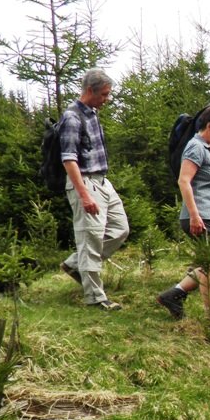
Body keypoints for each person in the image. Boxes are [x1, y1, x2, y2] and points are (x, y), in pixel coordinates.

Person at [58, 68, 131, 310]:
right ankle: (96, 299)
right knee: (90, 240)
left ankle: (74, 264)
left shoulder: (92, 113)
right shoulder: (72, 117)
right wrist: (84, 193)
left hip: (102, 180)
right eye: (104, 94)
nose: (107, 99)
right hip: (85, 182)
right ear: (90, 90)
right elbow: (68, 159)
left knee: (120, 229)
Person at [156, 106, 210, 320]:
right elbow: (184, 181)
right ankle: (182, 297)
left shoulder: (208, 148)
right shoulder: (195, 147)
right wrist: (195, 215)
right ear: (209, 126)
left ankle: (205, 310)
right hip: (201, 215)